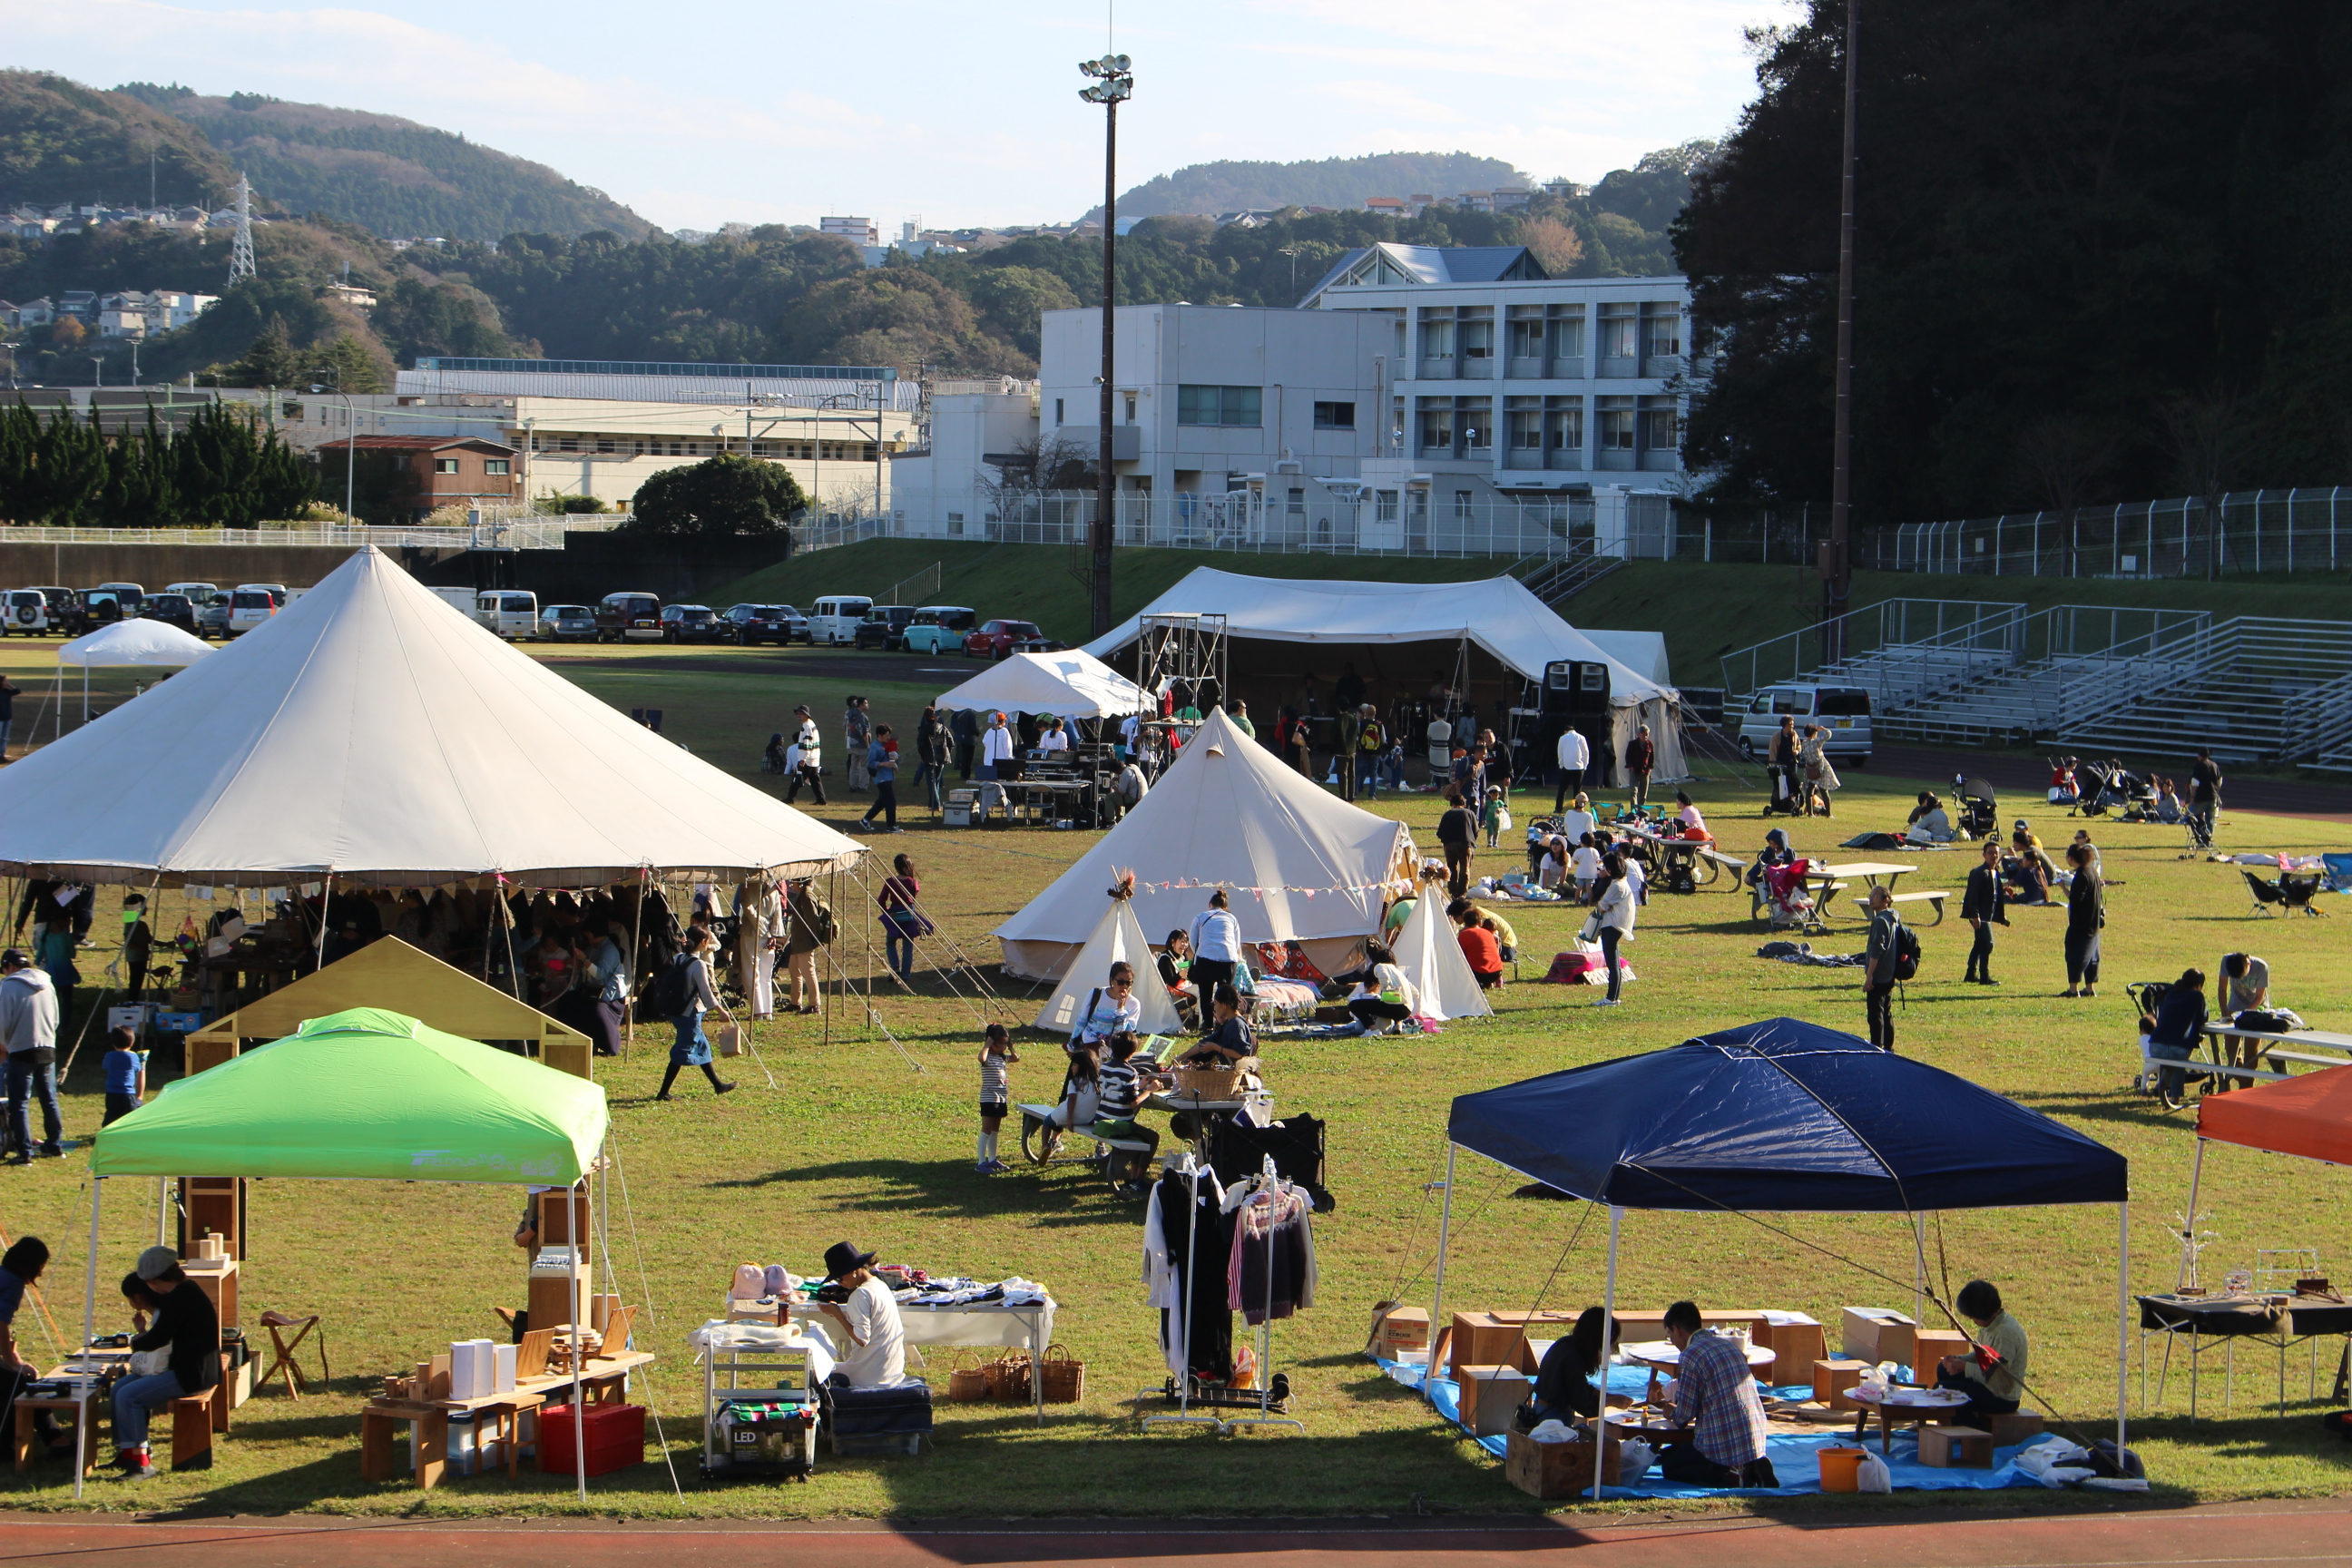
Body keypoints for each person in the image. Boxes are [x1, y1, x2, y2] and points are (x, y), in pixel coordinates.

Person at [113, 1245, 221, 1478]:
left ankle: (142, 1464)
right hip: (188, 1368)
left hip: (192, 1374)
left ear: (153, 1281)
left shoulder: (179, 1298)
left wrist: (135, 1343)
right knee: (120, 1388)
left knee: (128, 1396)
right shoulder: (186, 1291)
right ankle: (129, 1453)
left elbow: (158, 1338)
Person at [1656, 1299, 1775, 1488]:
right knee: (1673, 1453)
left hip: (1721, 1442)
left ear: (1676, 1329)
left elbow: (1684, 1416)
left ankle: (1727, 1475)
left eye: (1669, 1334)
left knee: (1670, 1467)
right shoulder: (1728, 1347)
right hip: (1755, 1438)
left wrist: (1669, 1410)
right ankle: (1752, 1464)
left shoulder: (1690, 1354)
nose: (1672, 1340)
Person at [1935, 1279, 2029, 1426]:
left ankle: (1976, 1430)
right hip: (1985, 1383)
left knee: (1942, 1391)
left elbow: (1997, 1375)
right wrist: (1958, 1359)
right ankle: (1956, 1422)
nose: (1972, 1320)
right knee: (1943, 1370)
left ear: (1981, 1314)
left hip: (2001, 1396)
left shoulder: (2006, 1334)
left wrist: (1964, 1367)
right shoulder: (1990, 1324)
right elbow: (1980, 1354)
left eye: (1973, 1317)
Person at [656, 926, 736, 1099]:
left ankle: (718, 1085)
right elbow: (706, 993)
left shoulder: (679, 958)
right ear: (703, 942)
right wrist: (721, 1011)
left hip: (677, 1011)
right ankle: (663, 1092)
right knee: (681, 1052)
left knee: (702, 1047)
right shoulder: (699, 965)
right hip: (689, 1013)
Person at [816, 1241, 907, 1388]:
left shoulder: (860, 1295)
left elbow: (861, 1339)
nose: (840, 1284)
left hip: (870, 1375)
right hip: (892, 1371)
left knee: (816, 1372)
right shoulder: (879, 1285)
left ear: (853, 1270)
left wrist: (838, 1314)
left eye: (840, 1278)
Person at [1520, 1306, 1626, 1428]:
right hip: (1553, 1416)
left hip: (1544, 1409)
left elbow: (1579, 1386)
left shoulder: (1566, 1343)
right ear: (1598, 1337)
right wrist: (1611, 1401)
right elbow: (1582, 1403)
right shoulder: (1574, 1359)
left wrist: (1607, 1395)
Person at [0, 947, 61, 1163]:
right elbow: (55, 1019)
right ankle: (54, 1145)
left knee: (19, 1102)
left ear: (10, 967)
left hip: (21, 1047)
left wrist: (4, 1045)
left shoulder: (8, 986)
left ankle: (25, 1152)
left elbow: (3, 1021)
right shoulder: (47, 982)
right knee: (49, 1098)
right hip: (47, 1045)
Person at [0, 1237, 56, 1455]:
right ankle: (5, 1445)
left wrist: (15, 1358)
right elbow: (1, 1324)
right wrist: (13, 1363)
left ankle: (55, 1439)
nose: (40, 1274)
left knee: (20, 1379)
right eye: (40, 1267)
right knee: (19, 1383)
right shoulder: (13, 1282)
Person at [1094, 1034, 1162, 1191]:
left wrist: (1139, 1085)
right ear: (1133, 1052)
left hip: (1101, 1119)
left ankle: (1133, 1178)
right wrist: (1150, 1090)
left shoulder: (1104, 1067)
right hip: (1118, 1123)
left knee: (1140, 1137)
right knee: (1152, 1138)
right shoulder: (1130, 1071)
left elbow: (1117, 1089)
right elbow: (1133, 1103)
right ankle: (1138, 1179)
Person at [2143, 967, 2210, 1108]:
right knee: (2178, 1059)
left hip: (2155, 1045)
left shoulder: (2171, 993)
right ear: (2199, 986)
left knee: (2169, 1055)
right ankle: (2175, 1096)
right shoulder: (2197, 996)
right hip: (2177, 1048)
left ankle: (2162, 1085)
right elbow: (2204, 1017)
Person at [1339, 945, 1416, 1035]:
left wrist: (1386, 990)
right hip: (1407, 1010)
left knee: (1354, 1005)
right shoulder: (1398, 972)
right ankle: (1398, 1025)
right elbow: (1415, 993)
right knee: (1393, 1002)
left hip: (1396, 1008)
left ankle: (1374, 1029)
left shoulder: (1380, 966)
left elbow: (1384, 978)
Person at [1961, 839, 2008, 985]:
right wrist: (1975, 916)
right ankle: (1984, 977)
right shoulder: (1979, 873)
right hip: (1979, 915)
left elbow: (1995, 895)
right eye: (1990, 853)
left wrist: (2001, 916)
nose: (1994, 855)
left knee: (1979, 944)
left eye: (1996, 853)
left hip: (1987, 914)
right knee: (1988, 944)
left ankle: (1970, 974)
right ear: (1984, 855)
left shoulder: (1995, 872)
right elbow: (1972, 896)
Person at [1592, 853, 1635, 1007]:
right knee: (1614, 963)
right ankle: (1613, 997)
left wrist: (1601, 905)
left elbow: (1602, 905)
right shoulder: (1622, 883)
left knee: (1612, 964)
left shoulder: (1616, 886)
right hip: (1616, 925)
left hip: (1612, 925)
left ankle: (1610, 998)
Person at [1862, 886, 1901, 1050]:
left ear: (1886, 900)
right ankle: (1889, 1047)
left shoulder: (1880, 921)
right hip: (1890, 972)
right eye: (1870, 895)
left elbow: (1877, 950)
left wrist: (1870, 975)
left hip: (1879, 973)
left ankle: (1876, 1046)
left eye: (1876, 896)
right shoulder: (1894, 917)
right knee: (1886, 1011)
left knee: (1875, 1014)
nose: (1871, 899)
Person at [2063, 842, 2102, 998]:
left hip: (2081, 925)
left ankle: (2073, 990)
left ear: (2071, 858)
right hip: (2094, 924)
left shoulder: (2081, 876)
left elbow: (2075, 900)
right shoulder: (2092, 871)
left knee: (2075, 955)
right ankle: (2089, 988)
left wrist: (2063, 887)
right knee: (2092, 957)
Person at [975, 1024, 1016, 1174]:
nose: (1003, 1047)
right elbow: (981, 1057)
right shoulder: (988, 1058)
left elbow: (1016, 1058)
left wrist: (1011, 1047)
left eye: (1006, 1044)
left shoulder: (1002, 1058)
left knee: (995, 1130)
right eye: (1000, 1044)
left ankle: (992, 1158)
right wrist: (987, 1045)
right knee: (986, 1130)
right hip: (989, 1098)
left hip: (1001, 1098)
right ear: (992, 1042)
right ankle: (981, 1162)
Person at [877, 853, 924, 984]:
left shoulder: (890, 881)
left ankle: (895, 967)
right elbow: (913, 898)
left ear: (896, 867)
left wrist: (886, 912)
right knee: (908, 946)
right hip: (909, 915)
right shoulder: (913, 882)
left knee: (890, 942)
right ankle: (906, 975)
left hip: (895, 915)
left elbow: (881, 900)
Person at [783, 880, 828, 1015]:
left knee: (808, 972)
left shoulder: (807, 896)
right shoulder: (802, 895)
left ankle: (815, 1004)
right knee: (794, 970)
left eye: (794, 883)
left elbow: (812, 920)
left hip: (804, 942)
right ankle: (795, 1002)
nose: (792, 885)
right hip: (797, 941)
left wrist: (815, 940)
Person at [1188, 889, 1242, 999]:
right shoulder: (1232, 919)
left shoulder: (1200, 917)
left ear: (1209, 904)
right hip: (1227, 960)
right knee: (1225, 997)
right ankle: (1224, 1016)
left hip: (1205, 959)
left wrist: (1199, 953)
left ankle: (1207, 1016)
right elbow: (1236, 943)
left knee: (1205, 996)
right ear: (1225, 907)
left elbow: (1193, 941)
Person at [583, 919, 627, 1056]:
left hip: (611, 995)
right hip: (596, 991)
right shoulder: (594, 948)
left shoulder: (609, 950)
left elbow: (600, 974)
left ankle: (612, 1048)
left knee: (600, 1014)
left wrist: (584, 961)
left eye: (588, 934)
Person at [1451, 900, 1504, 989]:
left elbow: (1459, 955)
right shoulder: (1488, 933)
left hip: (1479, 974)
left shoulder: (1464, 934)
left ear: (1465, 922)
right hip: (1497, 972)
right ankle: (1488, 983)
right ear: (1480, 923)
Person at [858, 723, 902, 831]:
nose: (888, 738)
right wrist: (884, 764)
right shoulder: (874, 747)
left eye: (888, 735)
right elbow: (871, 763)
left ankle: (865, 821)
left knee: (882, 801)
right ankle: (890, 826)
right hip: (881, 778)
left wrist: (894, 764)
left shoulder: (886, 744)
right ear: (879, 735)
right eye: (886, 736)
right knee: (891, 802)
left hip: (887, 776)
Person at [783, 705, 827, 806]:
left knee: (797, 778)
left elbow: (808, 742)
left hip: (808, 758)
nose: (799, 715)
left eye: (801, 713)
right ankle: (821, 800)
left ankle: (790, 798)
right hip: (814, 757)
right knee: (815, 780)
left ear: (806, 714)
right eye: (798, 714)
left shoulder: (806, 726)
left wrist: (803, 758)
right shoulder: (811, 724)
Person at [1436, 789, 1476, 898]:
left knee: (1451, 868)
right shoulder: (1470, 813)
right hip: (1465, 844)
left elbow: (1440, 833)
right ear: (1463, 803)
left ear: (1452, 804)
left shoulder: (1448, 814)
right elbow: (1476, 831)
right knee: (1465, 869)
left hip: (1450, 845)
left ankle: (1453, 891)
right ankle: (1462, 893)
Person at [102, 1025, 144, 1124]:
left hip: (112, 1093)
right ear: (131, 1043)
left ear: (113, 1043)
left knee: (112, 1114)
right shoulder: (133, 1056)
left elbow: (105, 1066)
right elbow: (138, 1069)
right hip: (128, 1093)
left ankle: (108, 1129)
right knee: (129, 1116)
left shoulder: (109, 1056)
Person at [914, 706, 950, 812]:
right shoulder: (943, 729)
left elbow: (920, 745)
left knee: (931, 783)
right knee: (937, 782)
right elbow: (950, 743)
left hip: (929, 758)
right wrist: (946, 754)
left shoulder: (924, 730)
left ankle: (936, 804)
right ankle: (932, 803)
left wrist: (923, 756)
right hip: (941, 757)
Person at [1799, 723, 1840, 817]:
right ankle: (1829, 814)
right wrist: (1822, 729)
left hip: (1810, 769)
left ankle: (1810, 813)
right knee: (1824, 791)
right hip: (1820, 768)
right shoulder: (1816, 742)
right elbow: (1828, 734)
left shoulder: (1804, 743)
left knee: (1809, 791)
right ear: (1814, 733)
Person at [122, 893, 154, 998]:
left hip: (141, 958)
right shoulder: (130, 922)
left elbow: (149, 940)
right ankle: (132, 1002)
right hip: (135, 958)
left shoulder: (142, 925)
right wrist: (142, 950)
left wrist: (166, 944)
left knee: (138, 982)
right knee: (135, 982)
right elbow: (128, 942)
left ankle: (134, 1000)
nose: (147, 908)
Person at [2218, 952, 2270, 1017]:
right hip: (2235, 1007)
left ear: (2249, 964)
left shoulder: (2261, 967)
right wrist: (2224, 1012)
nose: (2241, 979)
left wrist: (2245, 1015)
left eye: (2243, 976)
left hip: (2258, 1008)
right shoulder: (2226, 961)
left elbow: (2259, 996)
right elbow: (2222, 989)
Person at [1553, 724, 1590, 814]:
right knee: (1577, 790)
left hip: (1567, 767)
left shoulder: (1563, 738)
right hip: (1579, 767)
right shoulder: (1581, 737)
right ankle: (1577, 807)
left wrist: (1561, 764)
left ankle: (1558, 808)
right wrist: (1585, 765)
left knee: (1562, 789)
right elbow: (1586, 752)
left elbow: (1560, 753)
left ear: (1566, 731)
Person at [2189, 746, 2222, 838]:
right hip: (2213, 796)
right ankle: (2209, 838)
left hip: (2202, 796)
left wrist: (2192, 796)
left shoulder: (2199, 765)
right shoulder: (2214, 765)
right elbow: (2220, 780)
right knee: (2210, 819)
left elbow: (2195, 783)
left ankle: (2201, 837)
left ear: (2199, 756)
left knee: (2195, 818)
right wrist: (2216, 790)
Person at [1356, 706, 1387, 799]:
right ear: (1374, 714)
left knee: (1358, 773)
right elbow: (1383, 740)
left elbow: (1356, 738)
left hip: (1362, 752)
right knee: (1373, 774)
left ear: (1365, 713)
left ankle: (1355, 792)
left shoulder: (1360, 724)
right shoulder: (1379, 724)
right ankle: (1372, 794)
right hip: (1375, 753)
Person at [1623, 724, 1656, 809]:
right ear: (1639, 734)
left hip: (1645, 771)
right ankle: (1634, 809)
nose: (1646, 736)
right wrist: (1630, 767)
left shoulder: (1649, 744)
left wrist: (1650, 768)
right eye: (1644, 734)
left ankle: (1641, 810)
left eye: (1647, 734)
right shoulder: (1632, 744)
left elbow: (1651, 757)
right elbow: (1627, 756)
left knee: (1643, 793)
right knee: (1633, 791)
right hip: (1634, 770)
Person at [844, 696, 872, 793]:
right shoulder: (862, 717)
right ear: (861, 705)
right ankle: (862, 787)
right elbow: (864, 732)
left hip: (852, 743)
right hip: (861, 745)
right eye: (866, 703)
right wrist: (868, 745)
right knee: (864, 766)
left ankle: (853, 786)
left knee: (853, 766)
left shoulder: (850, 713)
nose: (868, 705)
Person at [979, 710, 1016, 782]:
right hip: (1001, 762)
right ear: (1003, 721)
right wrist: (1009, 759)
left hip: (988, 761)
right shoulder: (1004, 731)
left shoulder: (989, 731)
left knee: (989, 782)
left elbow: (985, 742)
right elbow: (1007, 747)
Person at [0, 672, 16, 761]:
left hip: (7, 718)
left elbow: (17, 691)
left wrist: (10, 685)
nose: (7, 682)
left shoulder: (6, 691)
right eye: (5, 681)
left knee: (4, 738)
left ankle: (2, 755)